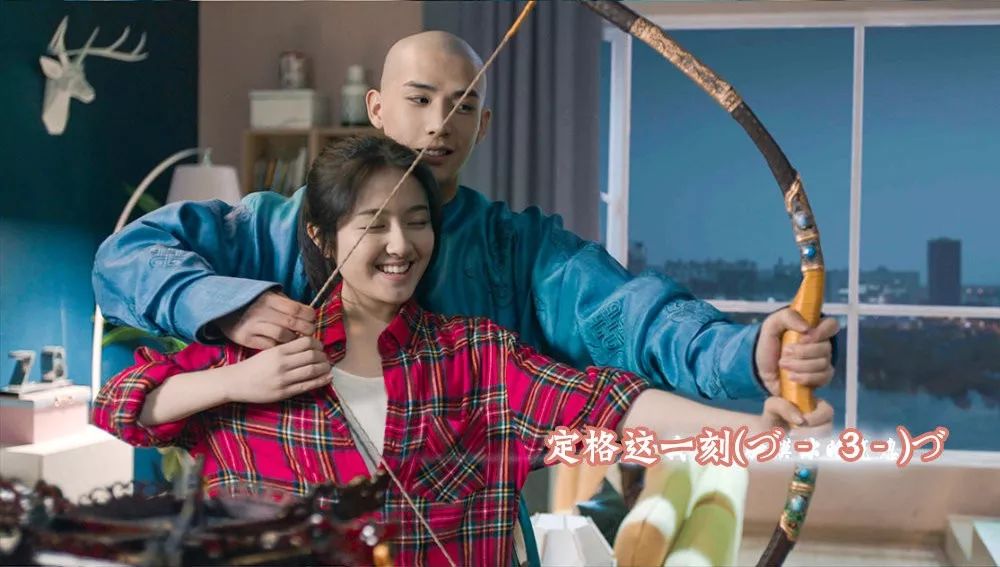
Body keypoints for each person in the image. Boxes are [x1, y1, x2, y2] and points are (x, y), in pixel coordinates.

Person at [93, 136, 833, 567]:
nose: (399, 244)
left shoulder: (475, 356)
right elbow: (121, 404)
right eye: (373, 223)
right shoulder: (261, 345)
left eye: (417, 221)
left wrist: (751, 432)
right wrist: (237, 384)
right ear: (320, 234)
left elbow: (611, 405)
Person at [92, 30, 839, 404]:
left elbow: (635, 317)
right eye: (419, 99)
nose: (439, 124)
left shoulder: (519, 250)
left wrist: (746, 354)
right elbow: (123, 260)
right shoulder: (277, 226)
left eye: (463, 105)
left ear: (483, 126)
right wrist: (232, 305)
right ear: (375, 109)